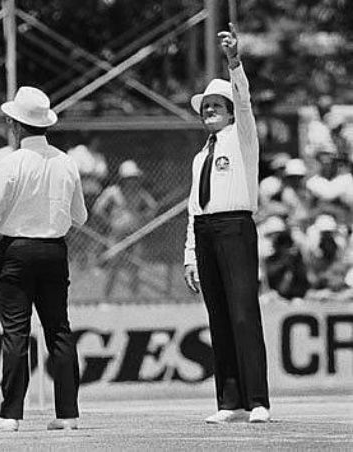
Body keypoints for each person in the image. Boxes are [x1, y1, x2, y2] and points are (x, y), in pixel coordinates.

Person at [0, 86, 88, 432]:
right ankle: (68, 414)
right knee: (58, 329)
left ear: (14, 125)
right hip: (54, 250)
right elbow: (81, 217)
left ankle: (10, 414)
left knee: (16, 332)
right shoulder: (66, 162)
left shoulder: (9, 162)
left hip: (16, 250)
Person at [182, 24, 271, 424]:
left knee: (242, 313)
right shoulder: (200, 156)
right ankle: (229, 402)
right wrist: (189, 255)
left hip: (235, 227)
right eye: (205, 107)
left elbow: (247, 102)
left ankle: (258, 401)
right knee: (218, 315)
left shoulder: (242, 137)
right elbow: (192, 207)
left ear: (231, 110)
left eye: (216, 105)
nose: (209, 111)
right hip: (205, 230)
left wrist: (234, 62)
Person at [93, 160, 157, 297]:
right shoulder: (113, 192)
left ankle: (134, 299)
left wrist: (144, 219)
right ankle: (106, 298)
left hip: (134, 236)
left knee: (135, 268)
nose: (133, 181)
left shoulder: (140, 193)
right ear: (123, 179)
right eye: (129, 178)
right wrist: (109, 222)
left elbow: (153, 207)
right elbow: (97, 209)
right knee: (113, 267)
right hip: (117, 235)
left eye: (134, 178)